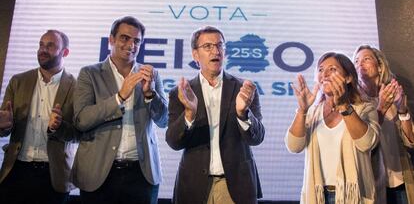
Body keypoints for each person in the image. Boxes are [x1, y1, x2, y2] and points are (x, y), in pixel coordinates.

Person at [72, 16, 168, 204]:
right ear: (111, 40)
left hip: (141, 174)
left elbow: (164, 120)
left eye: (136, 41)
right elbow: (81, 120)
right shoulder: (89, 74)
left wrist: (150, 95)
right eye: (125, 38)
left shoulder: (151, 74)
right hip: (99, 174)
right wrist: (119, 97)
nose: (131, 45)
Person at [166, 26, 265, 204]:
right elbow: (174, 142)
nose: (216, 51)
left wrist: (243, 113)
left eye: (220, 45)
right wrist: (189, 113)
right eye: (208, 46)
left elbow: (256, 138)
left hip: (236, 186)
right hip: (194, 186)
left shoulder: (244, 90)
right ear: (195, 55)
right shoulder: (180, 93)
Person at [285, 52, 380, 204]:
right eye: (321, 70)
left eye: (332, 69)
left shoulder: (365, 109)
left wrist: (343, 106)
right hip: (318, 196)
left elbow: (367, 143)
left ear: (348, 78)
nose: (325, 74)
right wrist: (302, 110)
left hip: (352, 196)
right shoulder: (313, 112)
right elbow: (293, 146)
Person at [0, 29, 79, 204]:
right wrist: (3, 126)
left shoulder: (77, 87)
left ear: (65, 52)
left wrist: (59, 127)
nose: (43, 49)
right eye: (41, 45)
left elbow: (78, 134)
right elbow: (4, 127)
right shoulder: (18, 81)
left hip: (54, 175)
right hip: (16, 170)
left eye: (50, 46)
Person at [353, 45, 414, 204]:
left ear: (380, 67)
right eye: (356, 61)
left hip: (401, 180)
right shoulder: (354, 103)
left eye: (366, 59)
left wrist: (402, 110)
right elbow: (363, 142)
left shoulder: (392, 95)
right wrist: (381, 108)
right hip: (372, 184)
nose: (360, 64)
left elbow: (411, 140)